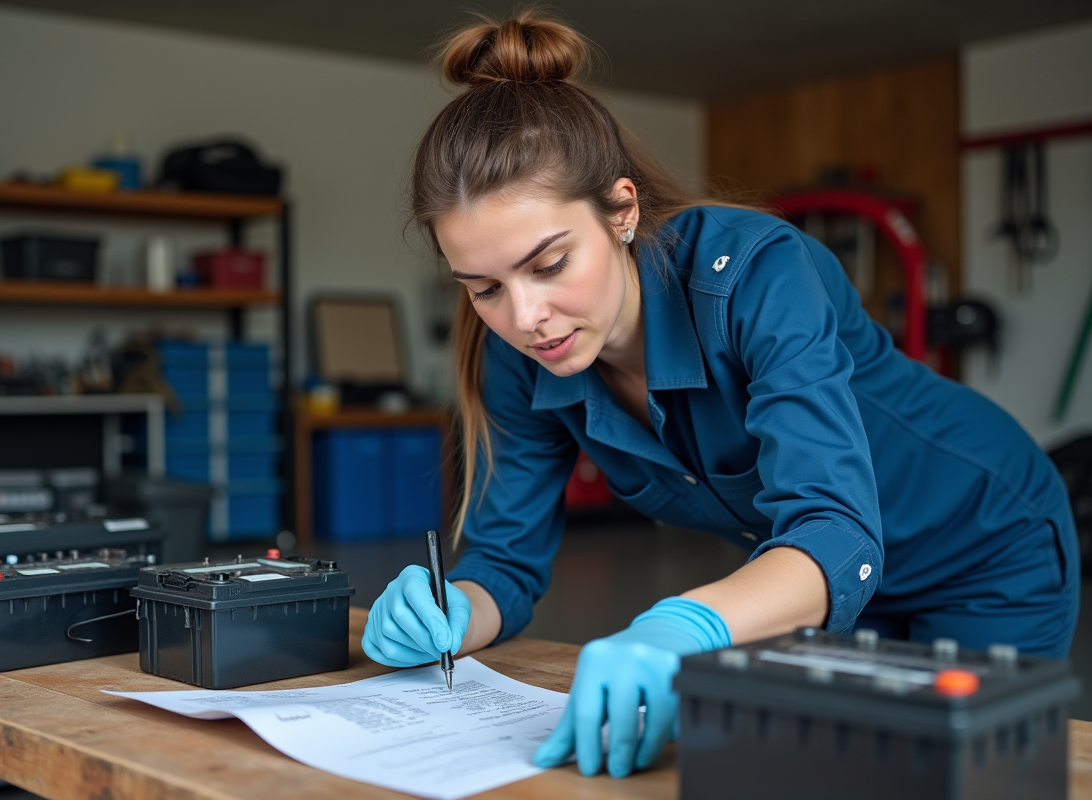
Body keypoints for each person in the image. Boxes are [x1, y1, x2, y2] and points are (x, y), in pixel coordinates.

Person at [360, 9, 1079, 781]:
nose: (525, 317)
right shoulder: (521, 355)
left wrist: (682, 625)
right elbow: (505, 559)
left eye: (550, 264)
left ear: (623, 209)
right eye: (483, 287)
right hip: (814, 585)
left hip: (980, 540)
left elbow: (832, 530)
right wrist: (455, 610)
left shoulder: (761, 275)